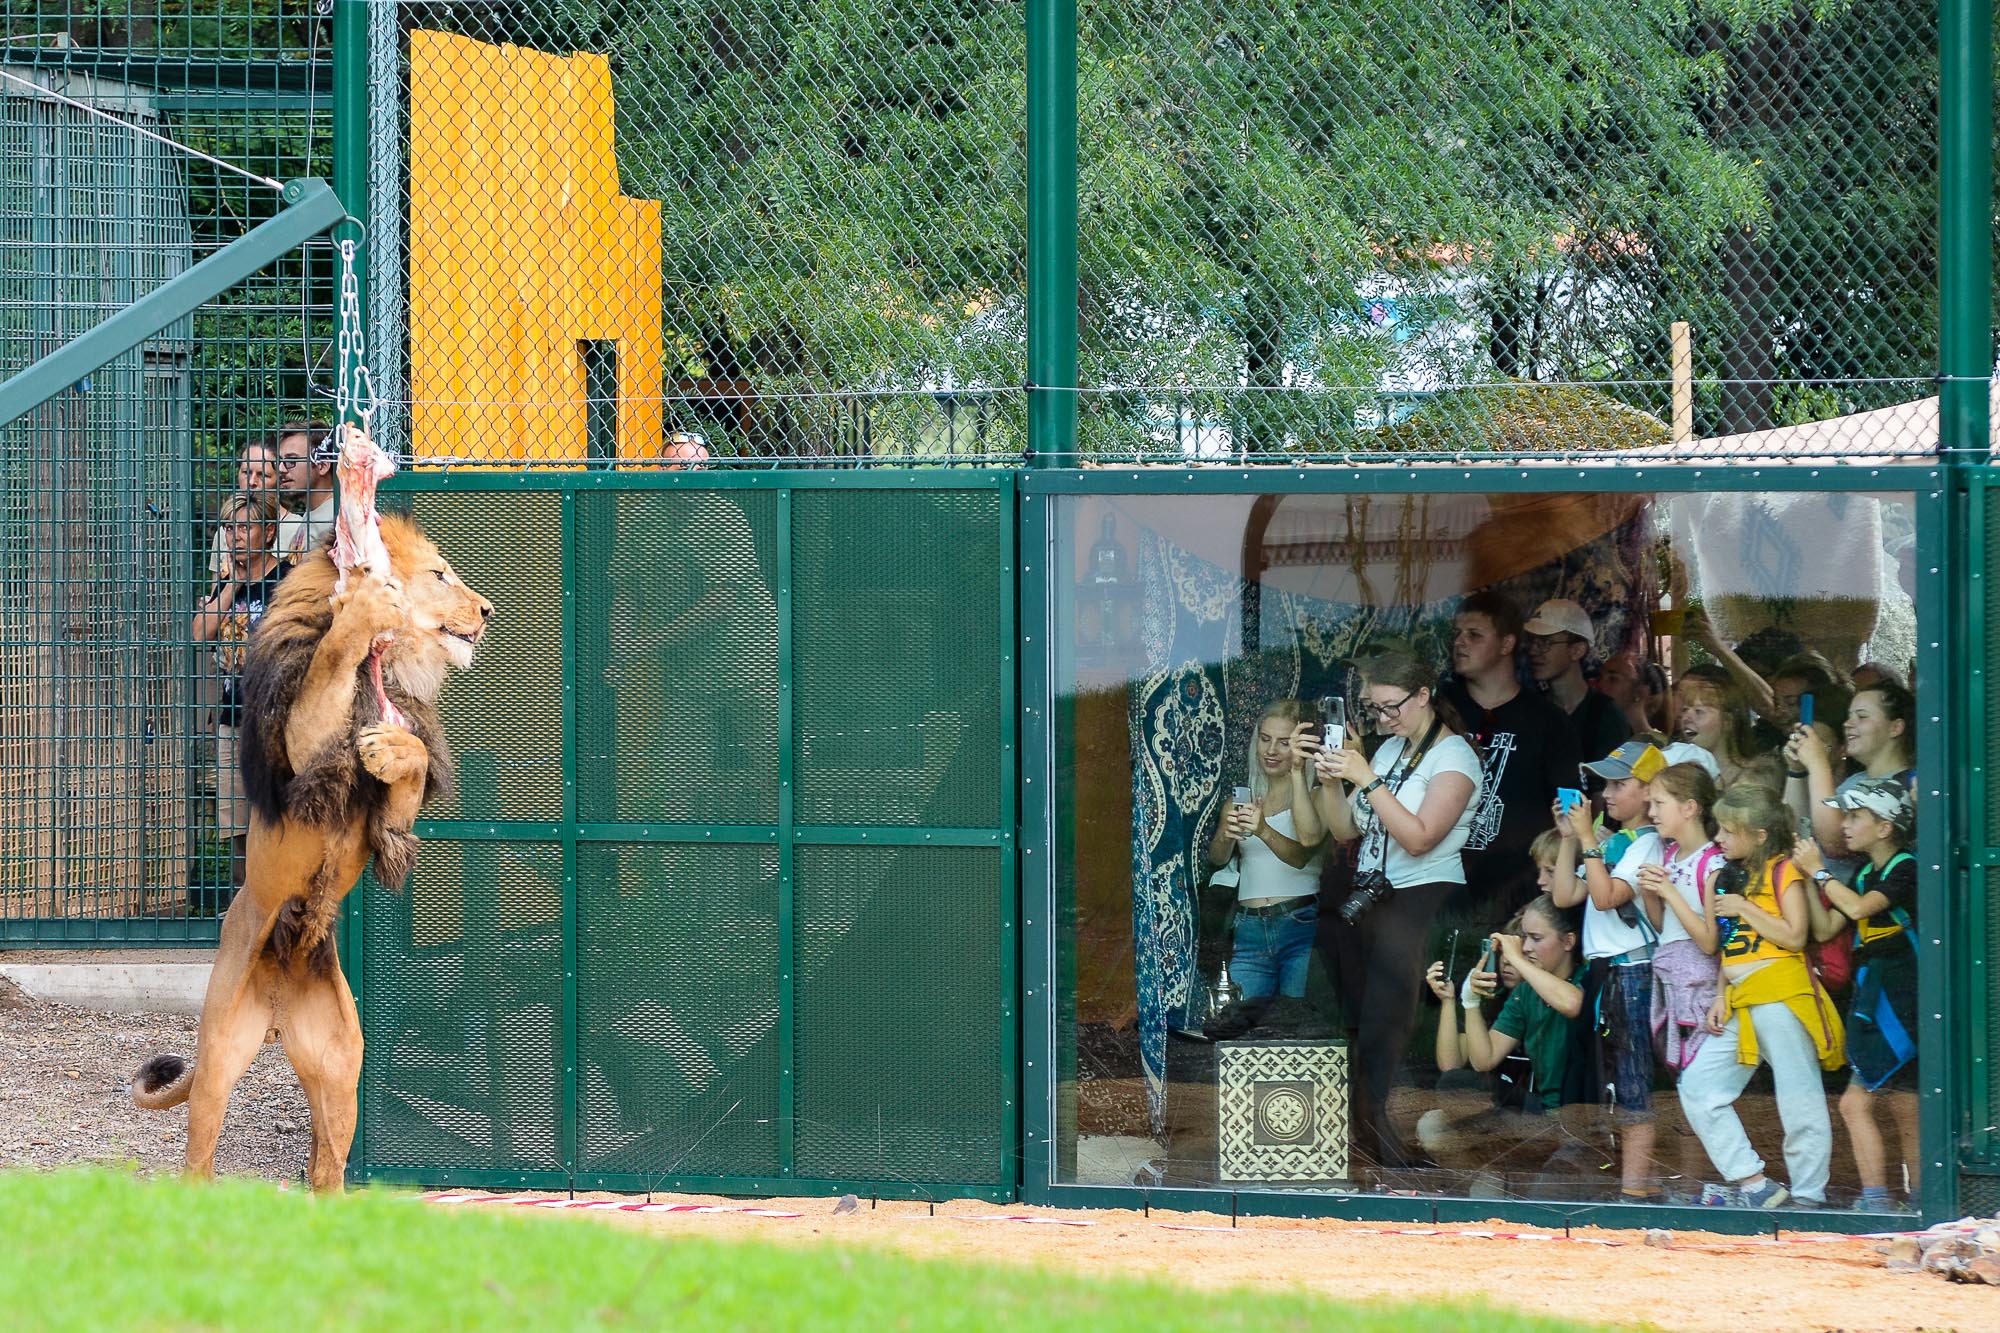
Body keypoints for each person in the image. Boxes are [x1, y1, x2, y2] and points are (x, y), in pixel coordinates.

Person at [1314, 651, 1482, 1169]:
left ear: (1424, 695)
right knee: (1363, 1018)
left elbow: (1419, 838)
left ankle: (1384, 1132)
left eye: (1392, 707)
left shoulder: (1454, 757)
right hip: (1375, 895)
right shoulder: (1388, 750)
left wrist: (1366, 777)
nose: (1384, 719)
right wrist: (1330, 779)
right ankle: (1365, 1132)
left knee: (1389, 1019)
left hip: (1423, 894)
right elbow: (1345, 829)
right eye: (1375, 708)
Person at [1680, 783, 1844, 1209]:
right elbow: (1731, 947)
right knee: (1697, 1086)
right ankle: (1754, 1185)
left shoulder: (1783, 870)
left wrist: (1744, 907)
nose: (1718, 837)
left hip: (1781, 994)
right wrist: (1721, 994)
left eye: (1728, 830)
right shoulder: (1730, 876)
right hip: (1740, 998)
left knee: (1798, 1097)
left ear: (1759, 835)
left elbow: (1795, 936)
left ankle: (1808, 1195)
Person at [1795, 780, 1920, 1211]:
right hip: (1875, 996)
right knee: (1900, 1103)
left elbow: (1860, 909)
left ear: (1885, 828)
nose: (1844, 825)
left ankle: (1891, 1200)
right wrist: (1807, 880)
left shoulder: (1906, 867)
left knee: (1886, 1105)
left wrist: (1819, 872)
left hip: (1901, 999)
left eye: (1855, 816)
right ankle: (1895, 1199)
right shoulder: (1865, 873)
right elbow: (1828, 928)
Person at [1553, 738, 1665, 1201]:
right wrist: (1568, 838)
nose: (1608, 794)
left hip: (1634, 972)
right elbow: (1565, 895)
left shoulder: (1649, 843)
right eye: (1606, 785)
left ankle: (1633, 1193)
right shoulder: (1615, 841)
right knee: (1615, 1079)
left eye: (1620, 784)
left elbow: (1605, 898)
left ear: (1651, 790)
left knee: (1634, 1081)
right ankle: (1640, 1185)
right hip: (1611, 975)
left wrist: (1586, 840)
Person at [1420, 895, 1585, 1183]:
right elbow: (1482, 1061)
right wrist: (1468, 1001)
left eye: (1535, 939)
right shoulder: (1523, 994)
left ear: (1568, 941)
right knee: (1442, 1107)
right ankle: (1483, 1180)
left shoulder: (1587, 977)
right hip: (1534, 1116)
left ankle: (1497, 1180)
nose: (1526, 948)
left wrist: (1519, 961)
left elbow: (1572, 1003)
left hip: (1579, 1120)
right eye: (1523, 939)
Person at [1442, 590, 1581, 926]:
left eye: (1474, 634)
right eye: (1457, 634)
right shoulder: (1438, 710)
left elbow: (1571, 804)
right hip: (1442, 885)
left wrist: (1552, 878)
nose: (1460, 642)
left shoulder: (1548, 721)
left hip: (1517, 890)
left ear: (1506, 644)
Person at [1205, 699, 1326, 1034]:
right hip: (1249, 930)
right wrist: (1227, 835)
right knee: (1230, 1027)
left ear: (1300, 747)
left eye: (1284, 742)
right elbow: (1217, 858)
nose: (1271, 750)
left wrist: (1262, 830)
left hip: (1299, 925)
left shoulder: (1317, 794)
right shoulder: (1240, 799)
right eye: (1265, 739)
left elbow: (1302, 856)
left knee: (1300, 1028)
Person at [191, 492, 286, 890]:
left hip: (275, 723)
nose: (235, 536)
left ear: (269, 532)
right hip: (233, 720)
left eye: (245, 527)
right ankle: (241, 911)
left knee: (277, 822)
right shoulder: (227, 584)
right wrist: (231, 587)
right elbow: (199, 633)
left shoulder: (287, 580)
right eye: (229, 528)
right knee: (237, 828)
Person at [1629, 764, 1725, 1075]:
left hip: (1700, 987)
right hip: (1671, 978)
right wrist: (1650, 894)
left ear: (1689, 808)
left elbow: (1710, 942)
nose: (1651, 812)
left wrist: (1669, 892)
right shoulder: (1670, 855)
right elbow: (1664, 928)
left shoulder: (1713, 863)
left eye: (1659, 803)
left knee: (1699, 1073)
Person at [1784, 682, 1916, 885]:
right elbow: (1799, 828)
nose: (1847, 723)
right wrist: (1796, 771)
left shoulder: (1907, 784)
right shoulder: (1856, 781)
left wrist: (1818, 763)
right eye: (1849, 716)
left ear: (1895, 727)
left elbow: (1835, 844)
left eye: (1862, 717)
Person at [1524, 598, 1631, 759]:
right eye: (1532, 642)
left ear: (1577, 650)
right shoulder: (1532, 710)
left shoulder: (1605, 716)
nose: (1533, 651)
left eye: (1545, 643)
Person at [206, 437, 282, 580]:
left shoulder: (296, 527)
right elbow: (216, 587)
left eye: (263, 475)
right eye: (246, 472)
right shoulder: (223, 532)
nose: (252, 482)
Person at [1675, 664, 1759, 789]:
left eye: (1699, 711)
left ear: (1727, 721)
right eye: (1685, 710)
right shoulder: (1676, 770)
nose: (1685, 718)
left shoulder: (1754, 779)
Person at [274, 422, 338, 566]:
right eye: (279, 461)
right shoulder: (314, 512)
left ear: (322, 466)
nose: (281, 469)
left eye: (291, 460)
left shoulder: (333, 521)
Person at [1598, 649, 1669, 738]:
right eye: (1600, 678)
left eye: (1612, 679)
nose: (1600, 684)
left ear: (1640, 693)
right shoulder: (1597, 737)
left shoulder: (1657, 744)